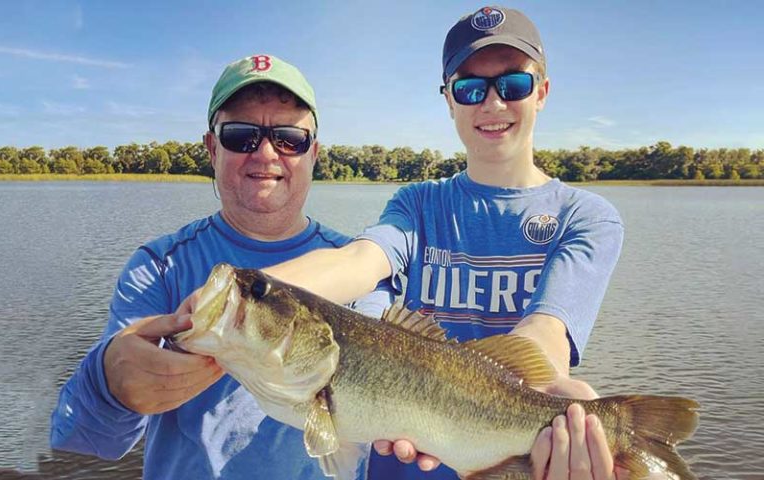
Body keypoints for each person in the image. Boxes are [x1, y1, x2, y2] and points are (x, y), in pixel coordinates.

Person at [261, 6, 626, 480]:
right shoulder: (416, 205)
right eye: (470, 88)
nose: (492, 104)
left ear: (542, 93)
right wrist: (249, 295)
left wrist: (553, 392)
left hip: (513, 461)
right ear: (449, 101)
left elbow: (546, 332)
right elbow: (361, 263)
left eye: (512, 84)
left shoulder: (587, 217)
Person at [50, 54, 390, 480]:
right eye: (241, 135)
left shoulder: (359, 266)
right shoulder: (159, 267)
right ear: (212, 148)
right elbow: (90, 439)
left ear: (314, 153)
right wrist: (109, 383)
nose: (266, 154)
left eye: (289, 138)